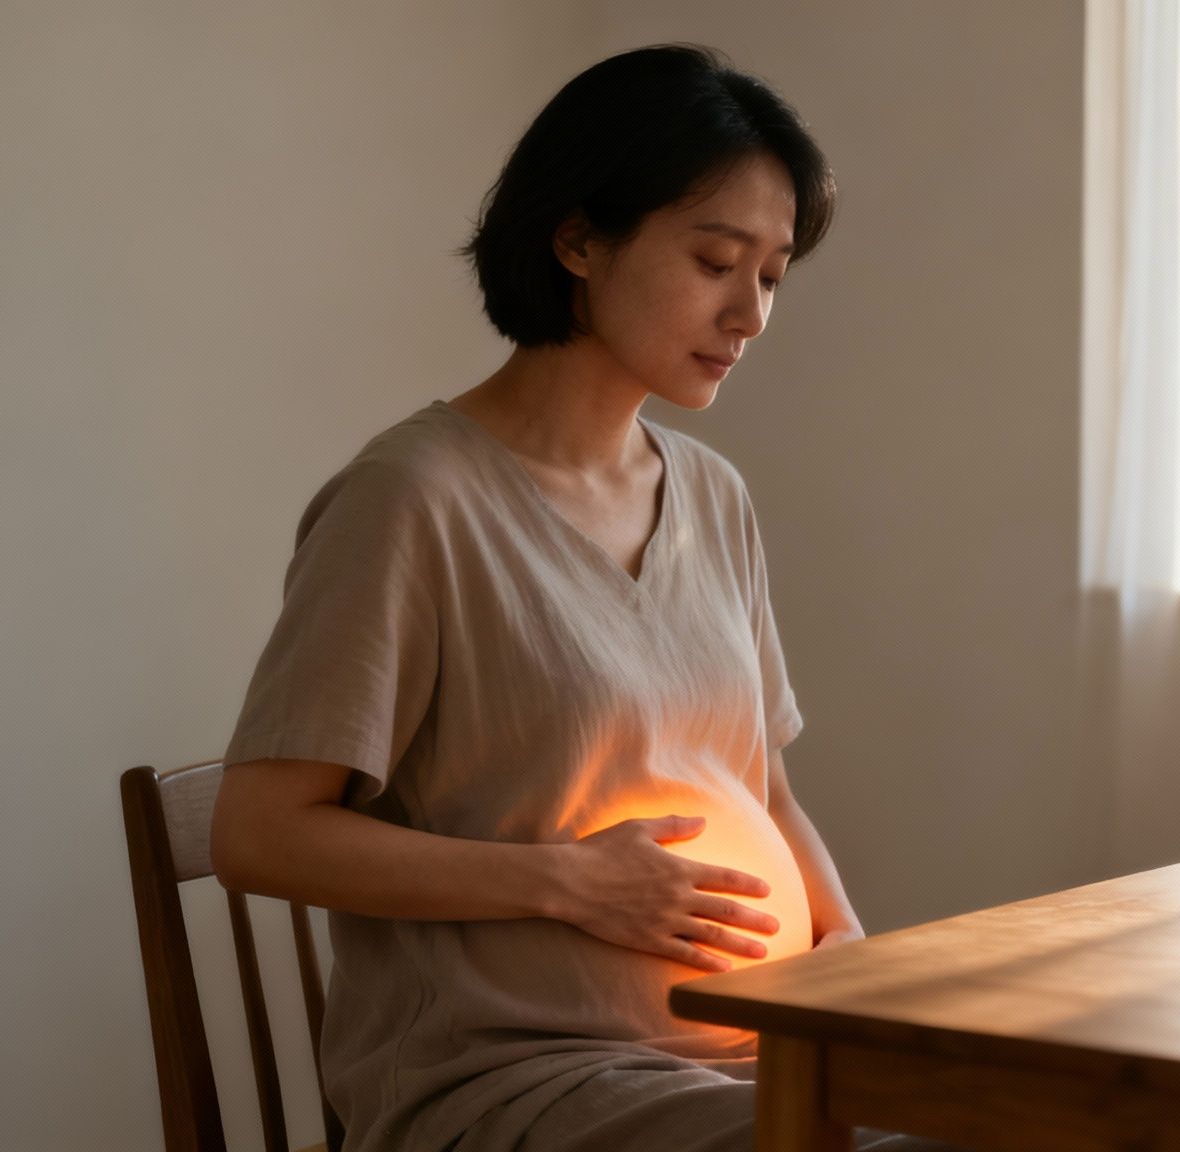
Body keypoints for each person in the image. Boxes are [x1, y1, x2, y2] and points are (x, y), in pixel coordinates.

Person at [210, 44, 959, 1152]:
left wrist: (847, 951)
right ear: (576, 240)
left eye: (771, 275)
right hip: (519, 1079)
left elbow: (765, 791)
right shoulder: (410, 502)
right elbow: (259, 835)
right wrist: (566, 884)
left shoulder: (712, 493)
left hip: (761, 1050)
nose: (749, 313)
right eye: (716, 261)